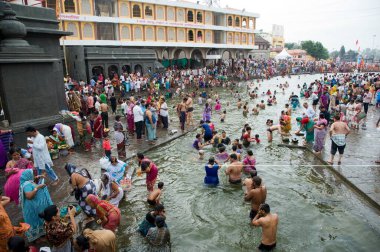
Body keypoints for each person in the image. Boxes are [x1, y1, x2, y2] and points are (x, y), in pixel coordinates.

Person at [19, 169, 53, 242]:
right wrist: (37, 187)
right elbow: (29, 196)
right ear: (28, 176)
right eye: (32, 175)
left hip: (33, 206)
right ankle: (37, 238)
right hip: (32, 208)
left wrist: (40, 176)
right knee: (35, 221)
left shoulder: (26, 181)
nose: (34, 176)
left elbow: (33, 180)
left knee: (38, 220)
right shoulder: (27, 185)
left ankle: (40, 234)